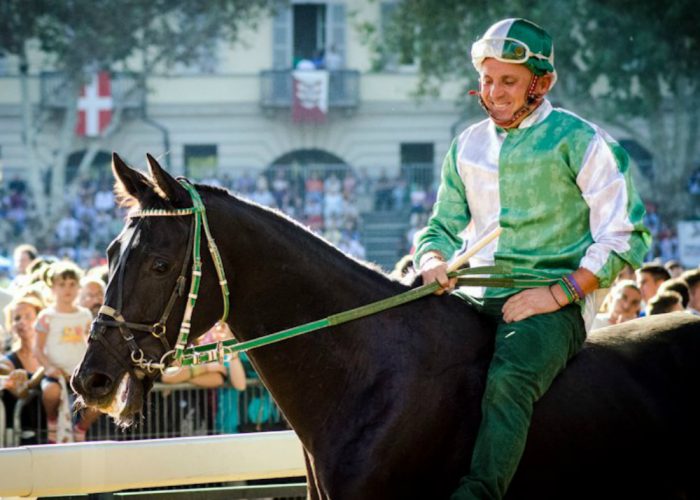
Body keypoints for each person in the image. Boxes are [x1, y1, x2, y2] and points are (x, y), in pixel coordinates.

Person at [412, 18, 650, 499]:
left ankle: (479, 493)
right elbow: (440, 226)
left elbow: (629, 235)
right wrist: (432, 257)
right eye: (487, 79)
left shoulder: (583, 140)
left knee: (508, 379)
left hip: (555, 302)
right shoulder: (466, 145)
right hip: (475, 291)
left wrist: (556, 293)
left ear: (541, 83)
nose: (494, 92)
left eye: (508, 81)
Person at [33, 261, 99, 443]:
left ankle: (80, 428)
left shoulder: (85, 315)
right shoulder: (47, 316)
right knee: (51, 392)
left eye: (72, 284)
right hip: (56, 374)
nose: (67, 289)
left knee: (101, 397)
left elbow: (89, 343)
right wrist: (49, 368)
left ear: (78, 287)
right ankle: (52, 421)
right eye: (61, 284)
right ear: (53, 287)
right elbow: (37, 348)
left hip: (79, 374)